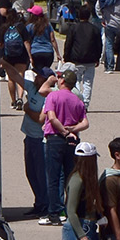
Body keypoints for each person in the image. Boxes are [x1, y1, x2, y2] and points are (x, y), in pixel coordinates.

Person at [39, 68, 89, 227]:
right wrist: (72, 130)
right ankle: (70, 211)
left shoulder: (53, 96)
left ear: (62, 81)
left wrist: (64, 131)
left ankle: (54, 213)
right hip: (72, 141)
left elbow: (52, 118)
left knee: (53, 177)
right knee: (70, 177)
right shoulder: (77, 100)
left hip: (55, 139)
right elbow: (85, 123)